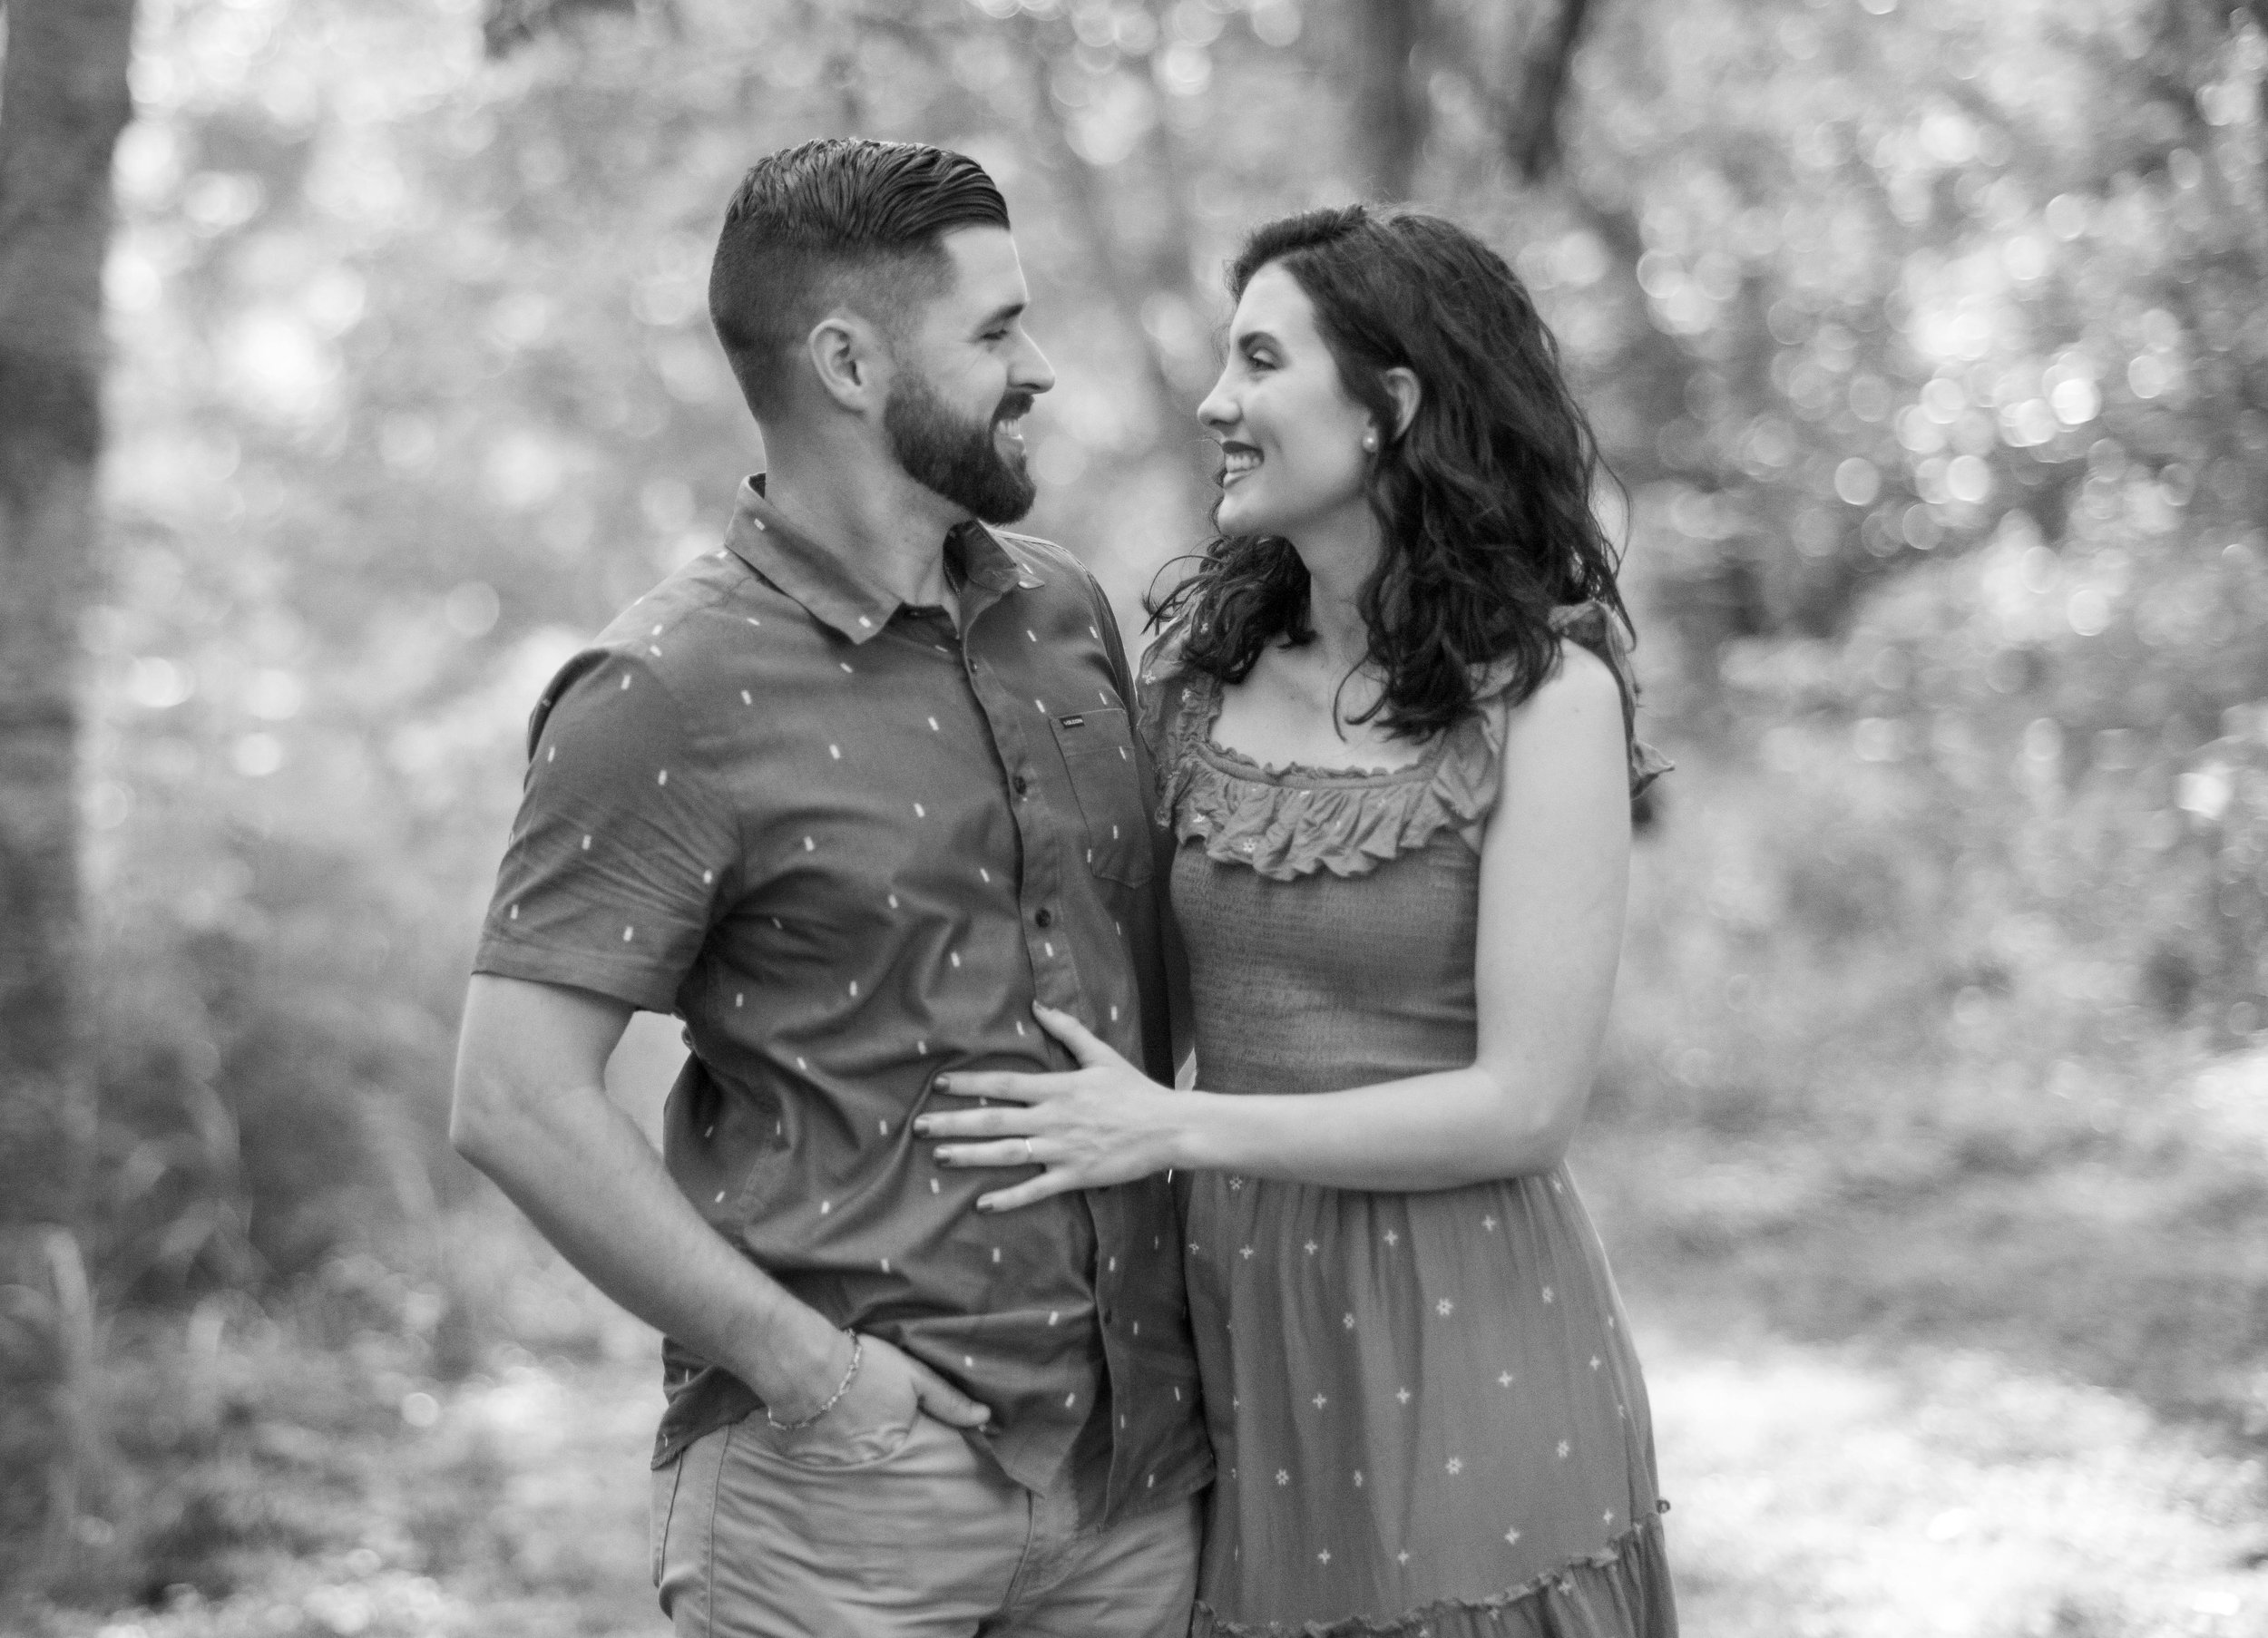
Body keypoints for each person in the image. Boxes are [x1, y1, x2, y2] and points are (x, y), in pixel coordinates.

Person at [449, 138, 1209, 1638]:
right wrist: (811, 1370)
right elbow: (514, 1099)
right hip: (845, 1502)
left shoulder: (1063, 613)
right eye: (996, 330)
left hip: (1133, 1484)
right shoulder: (667, 687)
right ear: (851, 363)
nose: (1041, 366)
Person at [918, 204, 1678, 1637]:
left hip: (1466, 1329)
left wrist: (1181, 1126)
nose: (1218, 400)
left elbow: (1524, 1108)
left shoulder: (1549, 701)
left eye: (1261, 360)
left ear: (1391, 407)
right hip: (1235, 1334)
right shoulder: (1190, 689)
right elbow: (1122, 1021)